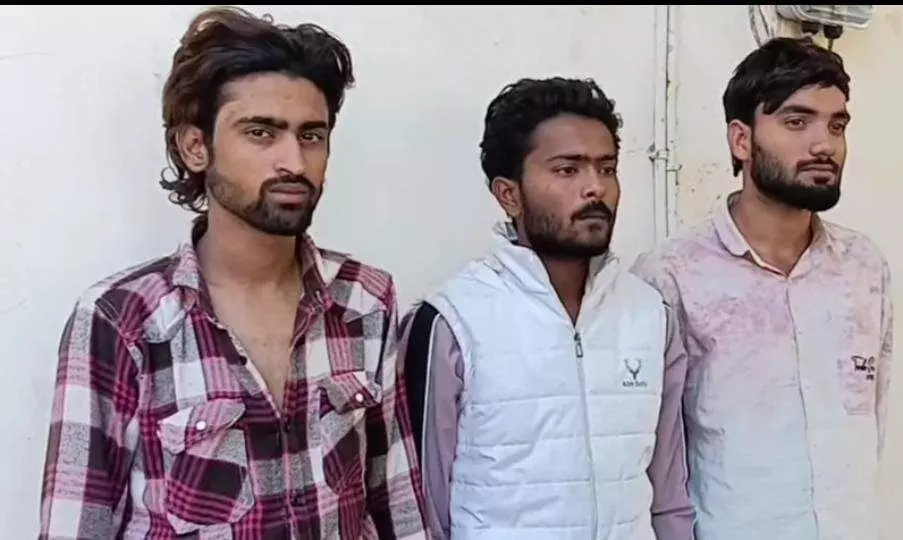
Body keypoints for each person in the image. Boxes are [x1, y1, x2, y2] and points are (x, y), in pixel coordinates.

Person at [38, 7, 427, 539]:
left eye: (311, 135)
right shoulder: (121, 320)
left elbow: (397, 501)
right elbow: (75, 521)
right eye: (261, 133)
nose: (294, 162)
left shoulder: (365, 299)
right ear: (196, 147)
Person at [398, 77, 696, 539]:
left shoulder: (650, 315)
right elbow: (423, 509)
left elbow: (669, 494)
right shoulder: (452, 321)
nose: (595, 188)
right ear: (509, 194)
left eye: (607, 168)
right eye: (567, 170)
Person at [631, 37, 894, 540]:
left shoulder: (863, 268)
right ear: (741, 140)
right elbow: (655, 458)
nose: (824, 145)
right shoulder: (673, 276)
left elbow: (871, 420)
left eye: (836, 125)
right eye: (797, 122)